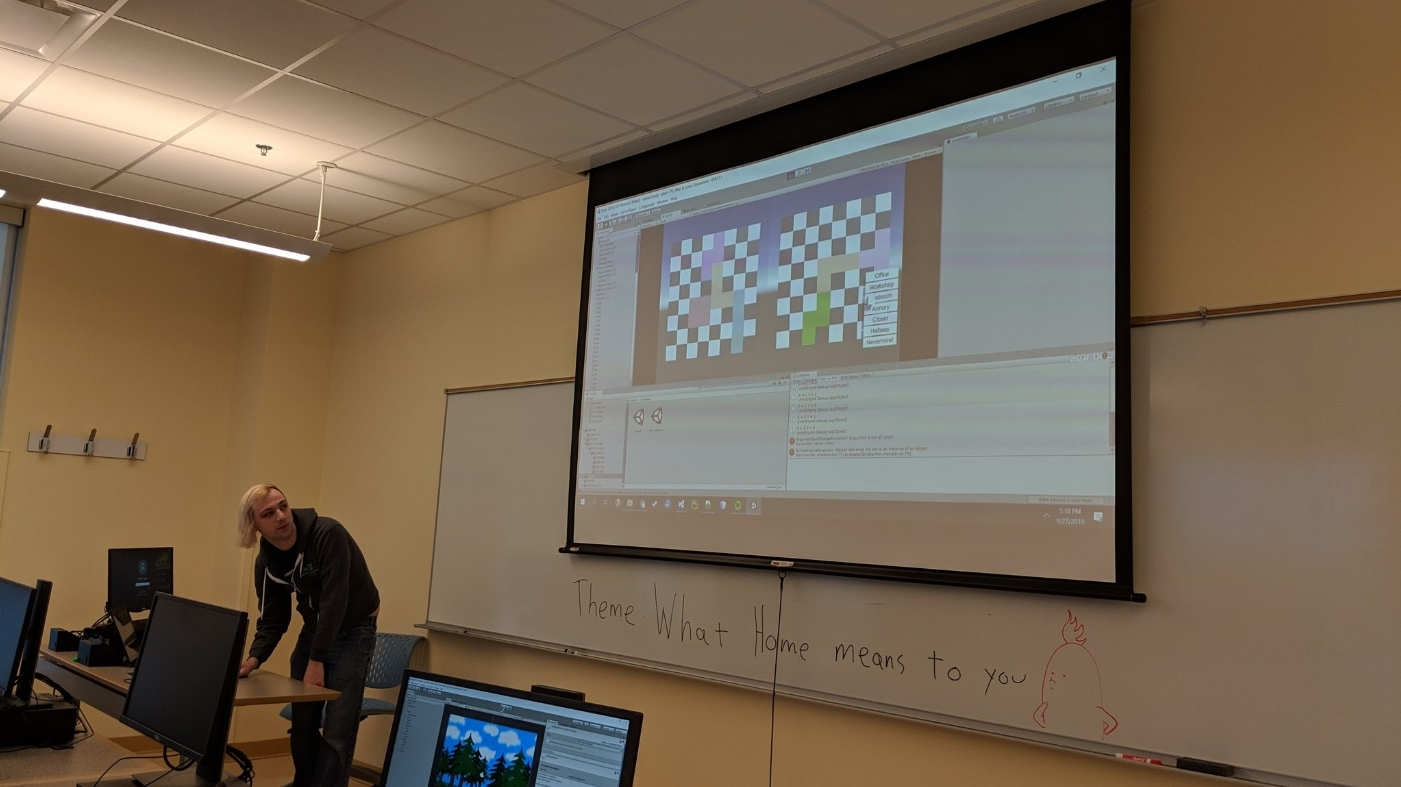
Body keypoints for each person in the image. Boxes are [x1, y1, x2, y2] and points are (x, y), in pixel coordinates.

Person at [236, 484, 380, 787]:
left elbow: (334, 602)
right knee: (302, 725)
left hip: (354, 630)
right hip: (315, 630)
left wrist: (316, 660)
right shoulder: (267, 562)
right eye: (269, 513)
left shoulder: (328, 535)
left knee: (338, 731)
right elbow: (273, 619)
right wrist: (253, 659)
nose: (281, 516)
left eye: (283, 506)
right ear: (255, 526)